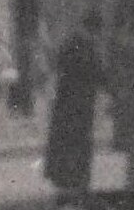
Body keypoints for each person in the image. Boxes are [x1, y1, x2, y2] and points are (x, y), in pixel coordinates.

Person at [42, 22, 109, 198]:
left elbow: (57, 64)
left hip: (65, 101)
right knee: (80, 142)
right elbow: (100, 74)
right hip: (83, 104)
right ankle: (78, 179)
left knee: (64, 140)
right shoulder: (90, 48)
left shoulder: (69, 44)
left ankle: (63, 178)